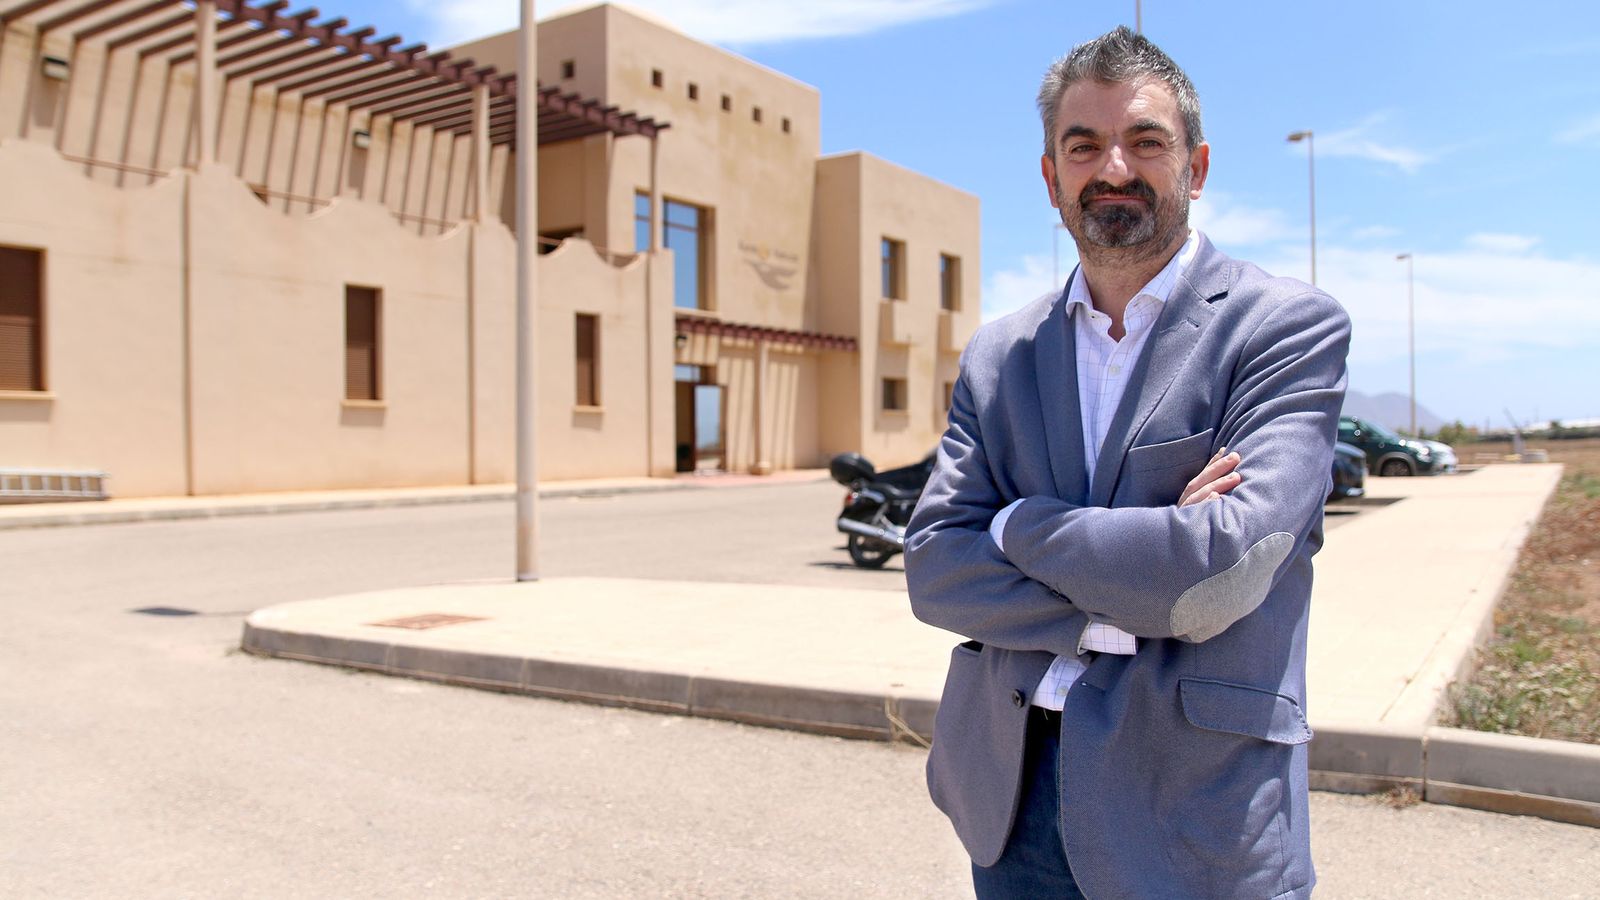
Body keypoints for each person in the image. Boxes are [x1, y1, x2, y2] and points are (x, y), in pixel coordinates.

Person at [904, 26, 1350, 899]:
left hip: (1194, 802)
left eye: (1146, 141)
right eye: (1084, 146)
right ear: (1050, 177)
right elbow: (933, 569)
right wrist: (1127, 583)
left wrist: (1013, 522)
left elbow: (1217, 571)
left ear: (1197, 164)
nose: (1114, 168)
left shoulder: (1284, 329)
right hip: (1014, 797)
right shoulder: (1000, 355)